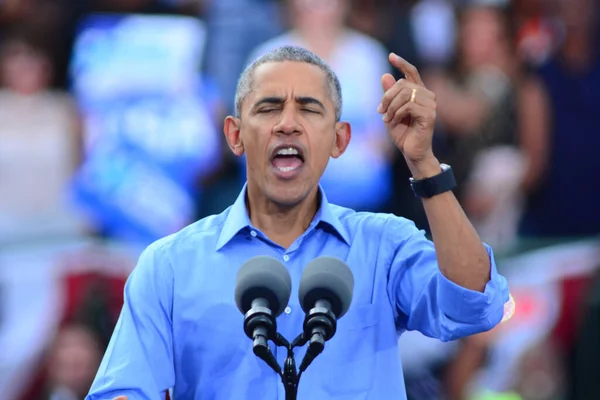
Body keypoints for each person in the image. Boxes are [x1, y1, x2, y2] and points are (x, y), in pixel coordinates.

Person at [86, 46, 510, 400]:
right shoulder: (169, 266)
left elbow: (475, 305)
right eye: (269, 108)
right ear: (234, 136)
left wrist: (424, 163)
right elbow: (122, 390)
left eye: (308, 110)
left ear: (340, 139)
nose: (288, 123)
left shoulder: (383, 245)